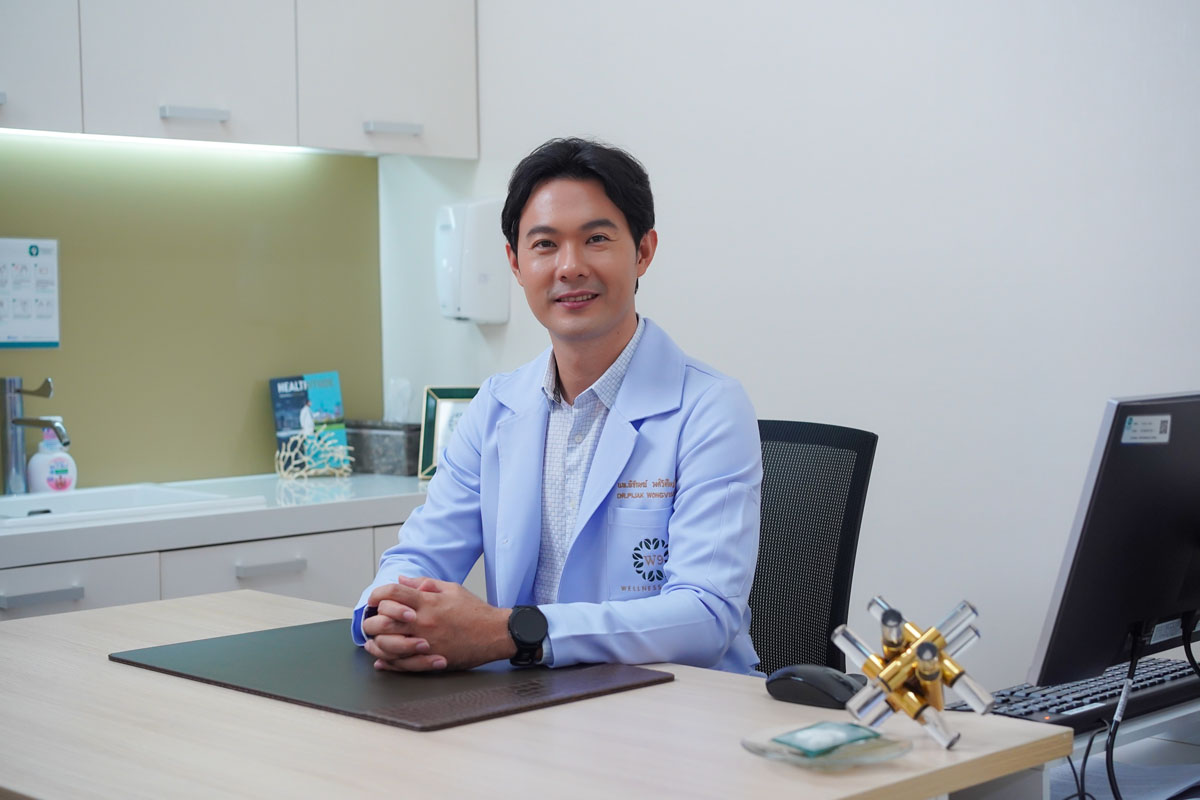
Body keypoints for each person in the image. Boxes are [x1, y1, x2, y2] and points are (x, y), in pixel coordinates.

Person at [353, 137, 762, 674]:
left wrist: (508, 634)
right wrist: (385, 616)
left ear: (643, 252)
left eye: (596, 239)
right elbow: (419, 557)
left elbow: (704, 616)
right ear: (515, 263)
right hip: (532, 702)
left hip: (675, 703)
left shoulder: (709, 408)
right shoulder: (496, 407)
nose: (569, 267)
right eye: (545, 244)